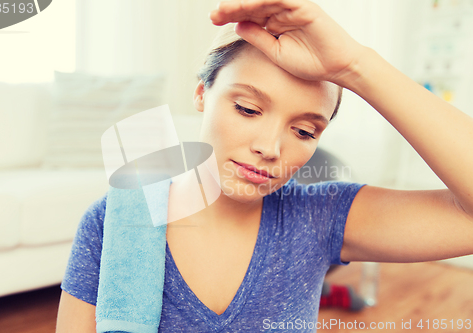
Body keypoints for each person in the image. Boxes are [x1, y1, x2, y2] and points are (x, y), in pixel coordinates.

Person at [56, 1, 473, 332]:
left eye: (306, 132)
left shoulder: (320, 217)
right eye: (248, 108)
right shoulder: (113, 223)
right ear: (202, 93)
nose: (270, 148)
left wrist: (355, 66)